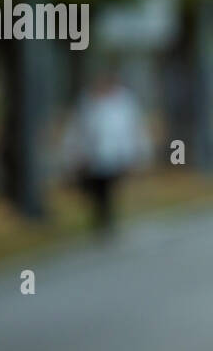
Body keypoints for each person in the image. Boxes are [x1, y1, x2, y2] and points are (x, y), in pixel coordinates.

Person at [62, 69, 152, 234]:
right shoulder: (87, 101)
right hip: (92, 155)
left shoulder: (124, 101)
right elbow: (77, 129)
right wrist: (73, 154)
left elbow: (134, 128)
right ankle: (102, 218)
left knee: (108, 187)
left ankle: (107, 220)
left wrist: (139, 153)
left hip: (116, 155)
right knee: (95, 188)